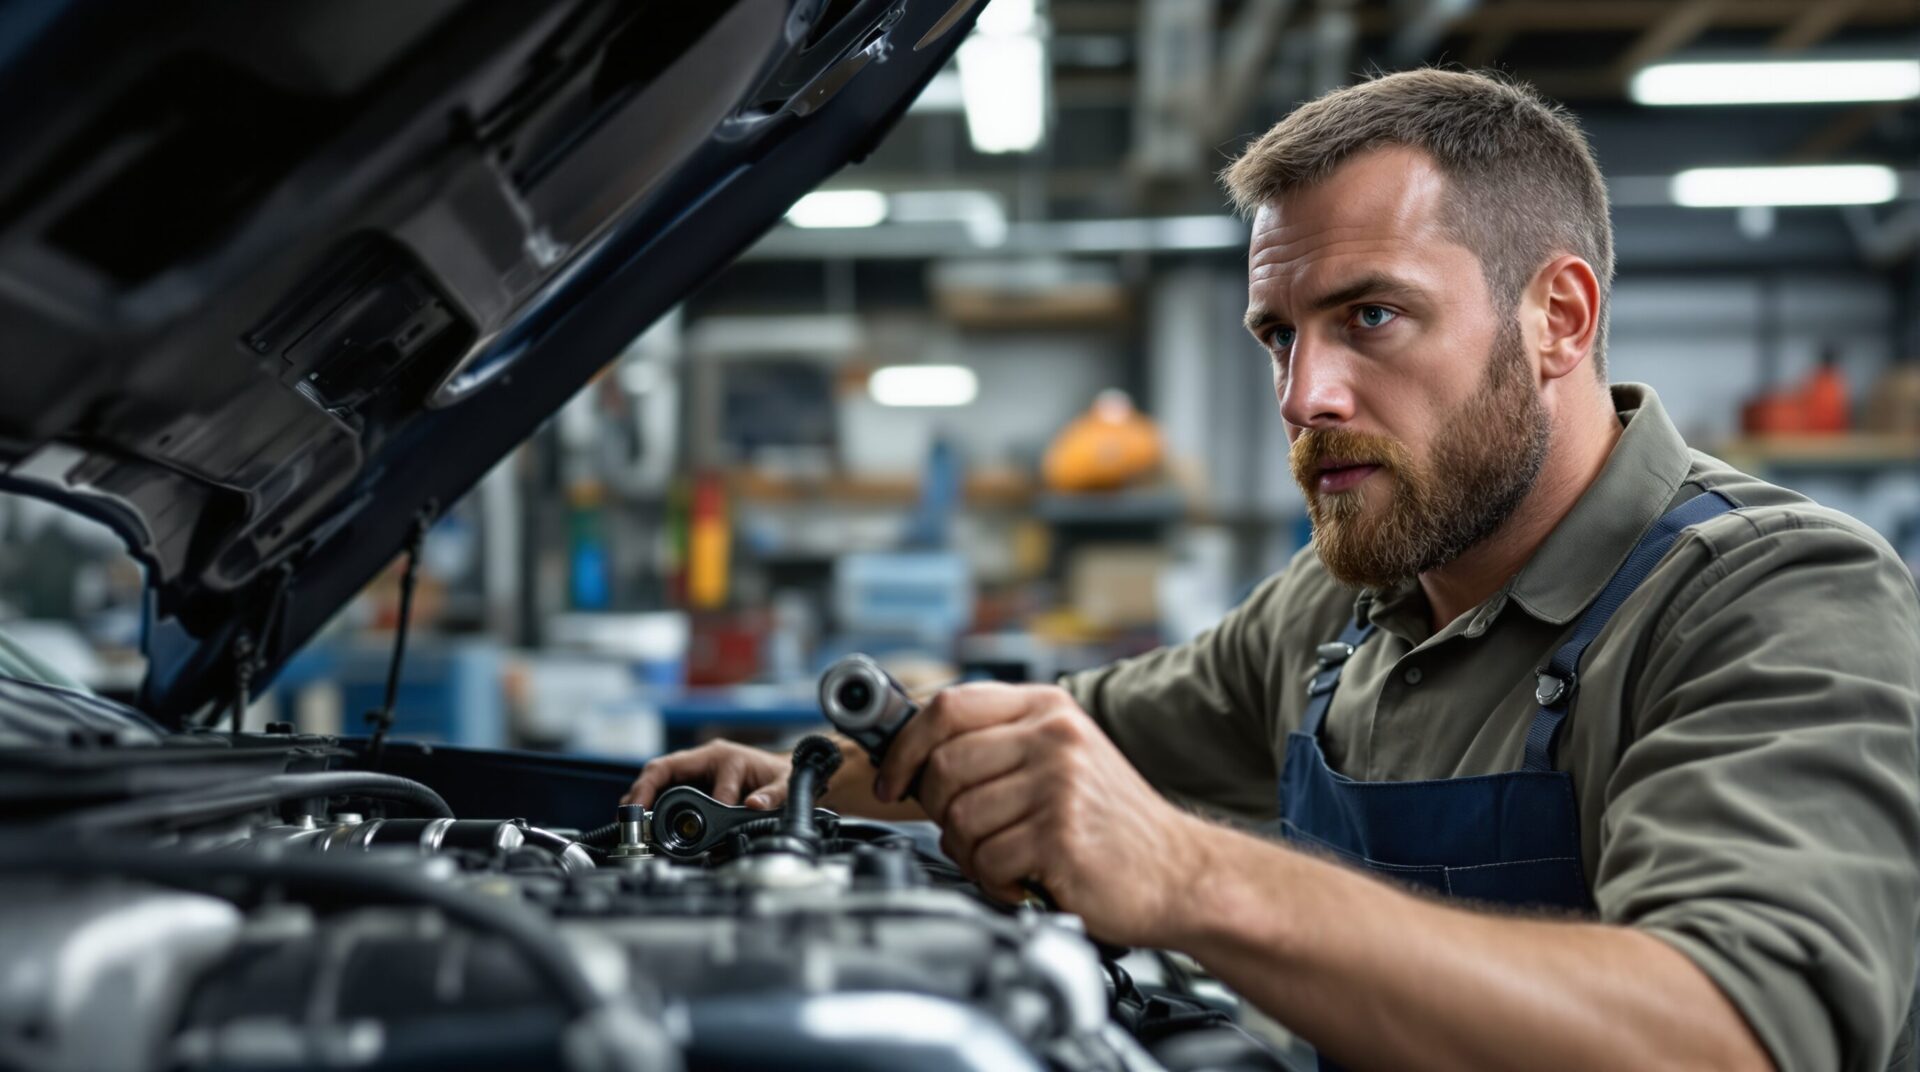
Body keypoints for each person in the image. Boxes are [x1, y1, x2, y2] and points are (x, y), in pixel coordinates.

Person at [625, 70, 1920, 1072]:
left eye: (1371, 315)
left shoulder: (1781, 603)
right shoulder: (1345, 608)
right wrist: (819, 782)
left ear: (1559, 318)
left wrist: (1196, 878)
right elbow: (1073, 750)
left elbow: (1736, 1037)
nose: (1306, 394)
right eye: (1277, 335)